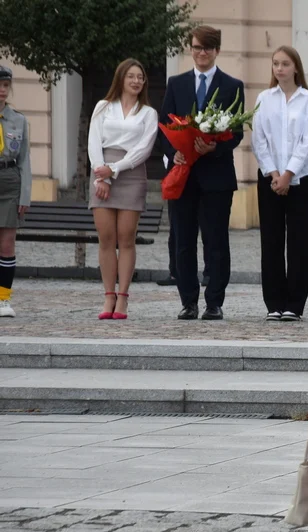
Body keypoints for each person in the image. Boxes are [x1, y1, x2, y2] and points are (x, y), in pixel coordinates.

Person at [159, 25, 244, 321]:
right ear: (190, 49)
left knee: (216, 241)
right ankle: (188, 301)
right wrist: (174, 152)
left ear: (216, 50)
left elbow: (236, 134)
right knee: (182, 241)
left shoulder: (232, 85)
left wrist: (214, 149)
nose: (201, 53)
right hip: (184, 175)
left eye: (207, 48)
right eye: (196, 47)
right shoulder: (176, 83)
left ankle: (214, 302)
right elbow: (164, 129)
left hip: (216, 177)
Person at [87, 58, 158, 321]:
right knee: (106, 238)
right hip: (101, 173)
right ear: (121, 78)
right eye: (131, 76)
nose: (136, 81)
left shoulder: (148, 113)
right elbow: (94, 141)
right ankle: (108, 294)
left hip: (129, 174)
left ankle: (124, 297)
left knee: (126, 238)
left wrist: (114, 170)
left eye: (140, 77)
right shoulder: (103, 107)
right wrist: (101, 175)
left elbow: (143, 149)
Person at [252, 46, 308, 323]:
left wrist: (288, 174)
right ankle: (274, 302)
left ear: (296, 68)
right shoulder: (264, 99)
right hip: (269, 179)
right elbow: (259, 139)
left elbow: (307, 141)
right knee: (271, 240)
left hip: (299, 180)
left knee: (298, 242)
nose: (279, 69)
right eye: (275, 64)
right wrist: (274, 173)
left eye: (285, 64)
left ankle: (294, 303)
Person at [0, 65, 29, 319]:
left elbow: (25, 160)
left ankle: (3, 298)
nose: (2, 90)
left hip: (9, 180)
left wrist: (25, 196)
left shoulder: (18, 120)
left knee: (7, 244)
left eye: (6, 85)